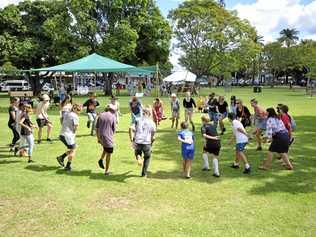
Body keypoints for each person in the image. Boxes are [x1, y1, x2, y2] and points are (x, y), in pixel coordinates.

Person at [129, 106, 156, 177]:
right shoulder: (152, 122)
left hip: (138, 141)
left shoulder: (137, 120)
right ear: (149, 114)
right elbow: (153, 135)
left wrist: (132, 139)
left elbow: (130, 129)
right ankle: (144, 173)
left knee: (137, 152)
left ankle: (138, 156)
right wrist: (151, 141)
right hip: (146, 142)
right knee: (147, 157)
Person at [56, 104, 82, 171]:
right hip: (68, 136)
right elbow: (75, 128)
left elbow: (61, 120)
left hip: (62, 134)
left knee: (72, 149)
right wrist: (73, 135)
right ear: (74, 109)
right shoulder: (75, 116)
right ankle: (68, 166)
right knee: (73, 150)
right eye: (78, 110)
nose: (79, 112)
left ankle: (61, 157)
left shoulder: (67, 114)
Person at [96, 104, 117, 176]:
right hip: (108, 137)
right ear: (111, 110)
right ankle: (106, 171)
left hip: (101, 137)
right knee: (109, 153)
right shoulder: (113, 116)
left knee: (106, 148)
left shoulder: (100, 115)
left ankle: (101, 160)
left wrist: (98, 138)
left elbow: (97, 128)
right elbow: (114, 129)